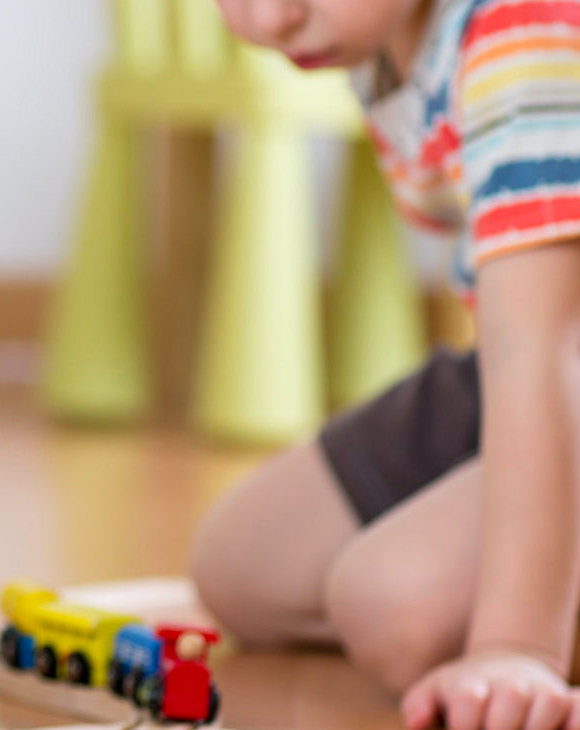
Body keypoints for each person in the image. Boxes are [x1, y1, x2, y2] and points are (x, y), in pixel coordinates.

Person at [191, 1, 580, 728]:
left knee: (396, 611)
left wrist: (514, 645)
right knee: (240, 565)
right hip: (516, 362)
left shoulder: (523, 31)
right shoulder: (381, 36)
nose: (271, 19)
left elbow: (541, 347)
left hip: (552, 362)